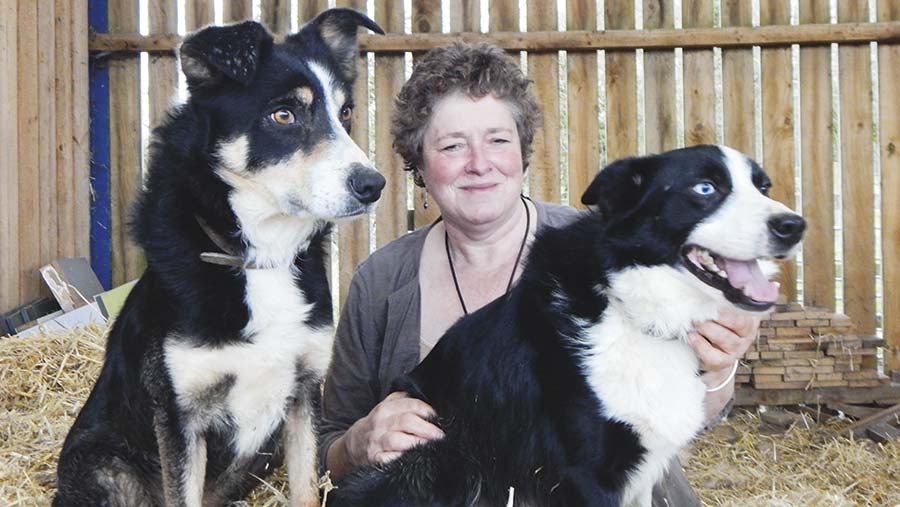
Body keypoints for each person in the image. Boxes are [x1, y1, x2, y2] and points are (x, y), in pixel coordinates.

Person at [318, 42, 758, 506]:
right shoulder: (382, 280)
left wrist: (717, 367)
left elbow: (694, 414)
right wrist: (360, 439)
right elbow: (330, 445)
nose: (479, 163)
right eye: (452, 146)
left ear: (523, 150)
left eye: (498, 140)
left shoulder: (609, 253)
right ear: (420, 164)